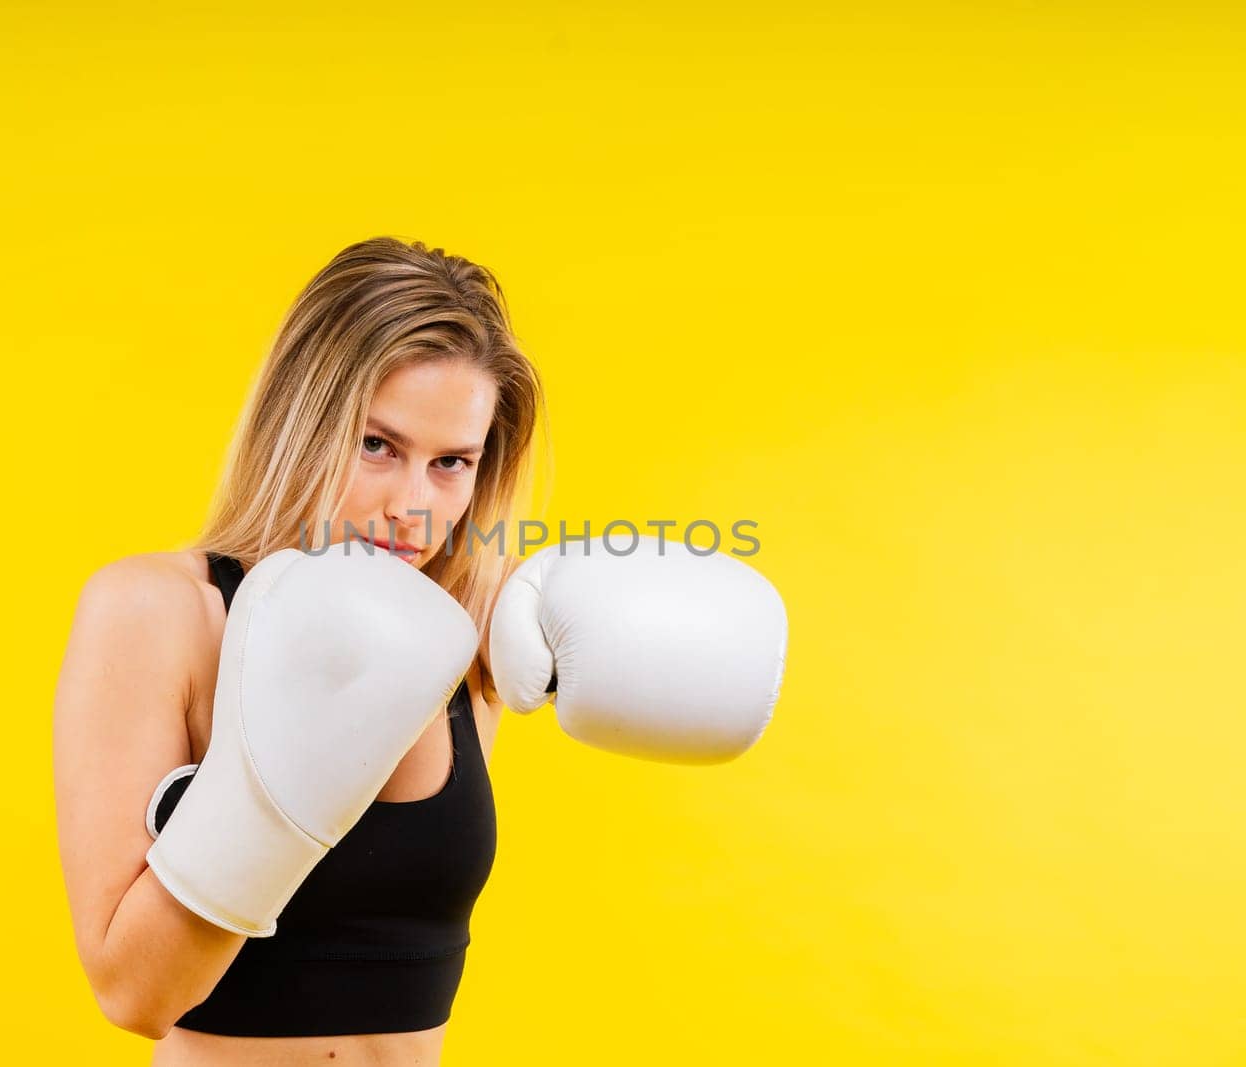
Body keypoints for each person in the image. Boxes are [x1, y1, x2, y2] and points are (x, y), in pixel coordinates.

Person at [53, 237, 788, 1065]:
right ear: (302, 424)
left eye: (451, 463)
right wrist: (271, 783)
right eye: (377, 445)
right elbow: (132, 993)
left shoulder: (476, 631)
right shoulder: (159, 612)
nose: (411, 504)